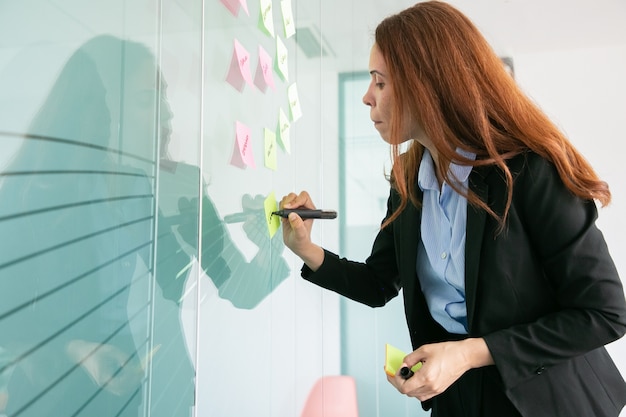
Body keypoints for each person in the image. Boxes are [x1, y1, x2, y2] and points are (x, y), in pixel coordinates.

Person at [278, 2, 626, 417]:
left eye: (380, 82)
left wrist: (467, 354)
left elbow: (605, 313)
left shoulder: (529, 170)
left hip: (546, 397)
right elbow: (378, 282)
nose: (367, 96)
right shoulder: (408, 181)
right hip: (458, 398)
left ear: (428, 85)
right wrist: (306, 249)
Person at [0, 34, 288, 416]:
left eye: (163, 97)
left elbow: (243, 289)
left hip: (157, 393)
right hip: (58, 400)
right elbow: (9, 320)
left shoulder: (181, 188)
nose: (167, 113)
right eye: (146, 100)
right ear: (102, 111)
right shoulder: (37, 192)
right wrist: (73, 349)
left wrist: (272, 243)